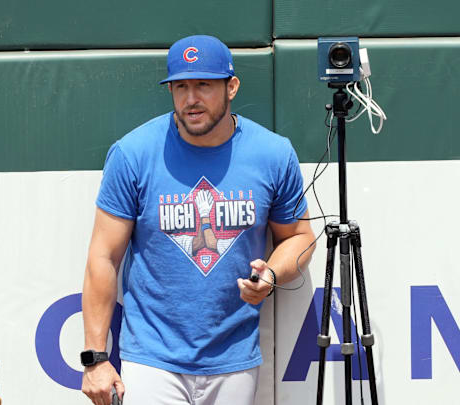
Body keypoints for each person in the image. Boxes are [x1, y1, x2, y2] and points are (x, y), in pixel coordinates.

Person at [81, 35, 316, 405]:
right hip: (152, 358)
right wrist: (95, 358)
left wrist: (270, 276)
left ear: (232, 86)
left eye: (204, 85)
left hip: (234, 356)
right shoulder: (133, 154)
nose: (191, 99)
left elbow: (300, 236)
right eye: (181, 87)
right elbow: (103, 257)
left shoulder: (272, 153)